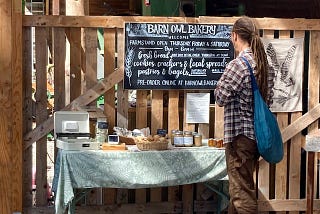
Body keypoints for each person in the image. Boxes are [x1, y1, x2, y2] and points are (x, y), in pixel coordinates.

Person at [214, 16, 275, 213]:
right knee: (238, 192)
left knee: (241, 195)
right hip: (256, 138)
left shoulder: (238, 65)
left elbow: (220, 97)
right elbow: (270, 100)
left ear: (234, 36)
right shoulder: (265, 66)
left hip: (239, 138)